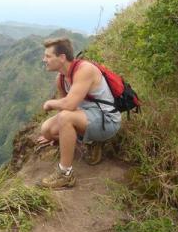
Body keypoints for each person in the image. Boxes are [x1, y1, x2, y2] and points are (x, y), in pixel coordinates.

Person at [37, 37, 121, 189]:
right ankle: (90, 140)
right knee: (47, 130)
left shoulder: (84, 70)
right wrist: (61, 133)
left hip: (107, 121)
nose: (44, 60)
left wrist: (49, 103)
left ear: (62, 58)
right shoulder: (61, 78)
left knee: (65, 118)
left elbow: (68, 104)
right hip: (87, 116)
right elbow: (66, 107)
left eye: (48, 56)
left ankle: (65, 174)